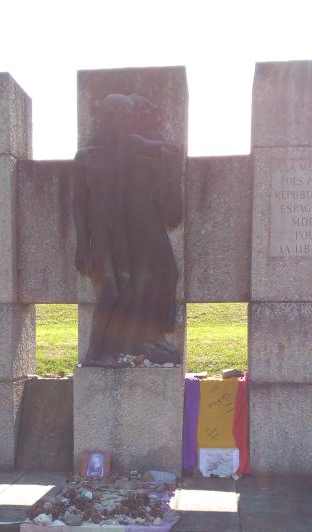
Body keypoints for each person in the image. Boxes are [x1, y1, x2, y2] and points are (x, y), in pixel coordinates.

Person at [73, 93, 183, 366]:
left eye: (129, 116)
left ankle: (115, 347)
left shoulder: (131, 145)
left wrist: (171, 155)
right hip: (100, 234)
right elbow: (78, 205)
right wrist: (81, 244)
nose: (125, 122)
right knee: (110, 290)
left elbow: (166, 147)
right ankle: (94, 354)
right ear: (108, 117)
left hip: (119, 233)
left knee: (126, 292)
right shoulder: (85, 157)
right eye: (121, 116)